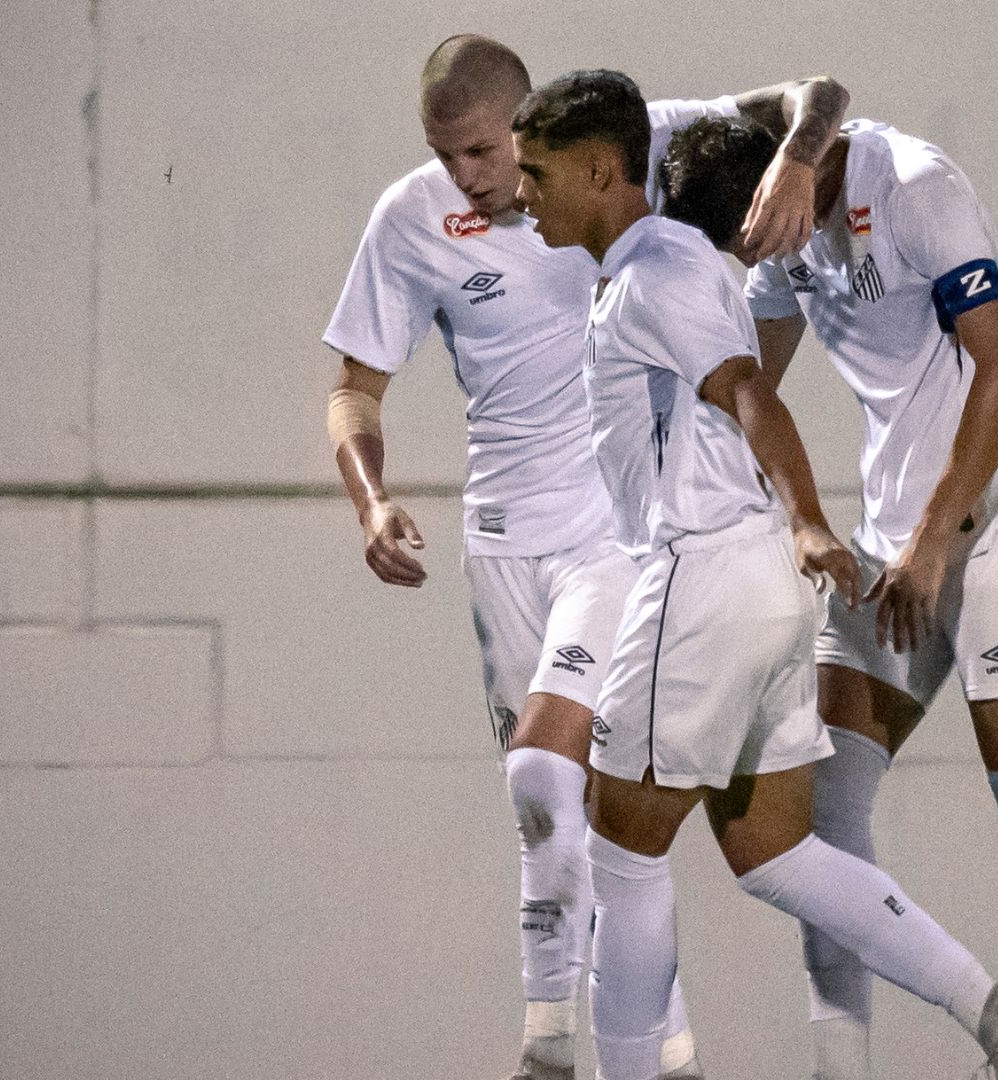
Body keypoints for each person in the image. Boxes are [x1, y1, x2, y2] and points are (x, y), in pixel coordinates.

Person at [511, 68, 998, 1080]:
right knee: (773, 849)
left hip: (705, 582)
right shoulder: (693, 272)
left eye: (536, 173)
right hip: (761, 588)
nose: (519, 193)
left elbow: (751, 401)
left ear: (603, 172)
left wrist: (812, 522)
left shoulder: (658, 275)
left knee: (621, 848)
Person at [320, 35, 853, 1080]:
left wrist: (799, 155)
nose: (476, 181)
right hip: (502, 545)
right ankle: (669, 1055)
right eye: (452, 159)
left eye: (487, 153)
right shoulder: (411, 218)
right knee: (565, 822)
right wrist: (371, 502)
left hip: (620, 541)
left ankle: (550, 1050)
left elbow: (817, 92)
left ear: (530, 123)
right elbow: (355, 386)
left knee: (547, 772)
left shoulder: (621, 143)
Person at [658, 114, 998, 1080]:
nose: (753, 264)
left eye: (751, 243)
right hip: (887, 550)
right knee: (822, 814)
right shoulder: (774, 232)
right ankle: (841, 1067)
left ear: (784, 188)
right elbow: (746, 395)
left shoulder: (917, 191)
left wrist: (937, 534)